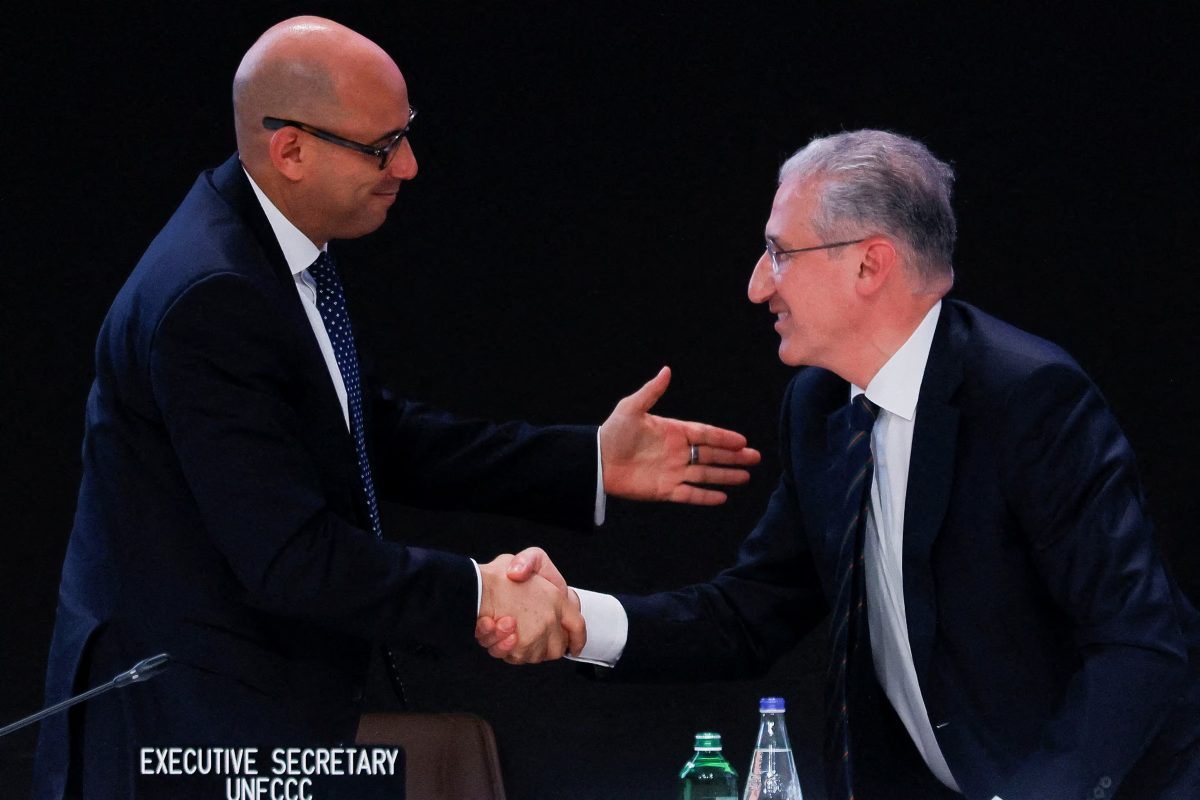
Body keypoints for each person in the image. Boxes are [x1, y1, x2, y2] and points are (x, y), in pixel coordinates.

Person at [31, 16, 762, 800]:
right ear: (292, 150)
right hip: (181, 725)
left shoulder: (268, 252)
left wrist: (585, 460)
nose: (409, 166)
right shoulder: (214, 298)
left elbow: (371, 435)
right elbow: (292, 560)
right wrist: (484, 593)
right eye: (383, 147)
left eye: (406, 134)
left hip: (241, 705)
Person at [482, 130, 1200, 799]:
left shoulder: (1027, 399)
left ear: (869, 263)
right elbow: (750, 613)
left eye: (779, 252)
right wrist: (578, 620)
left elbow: (1137, 647)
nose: (758, 285)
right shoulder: (820, 406)